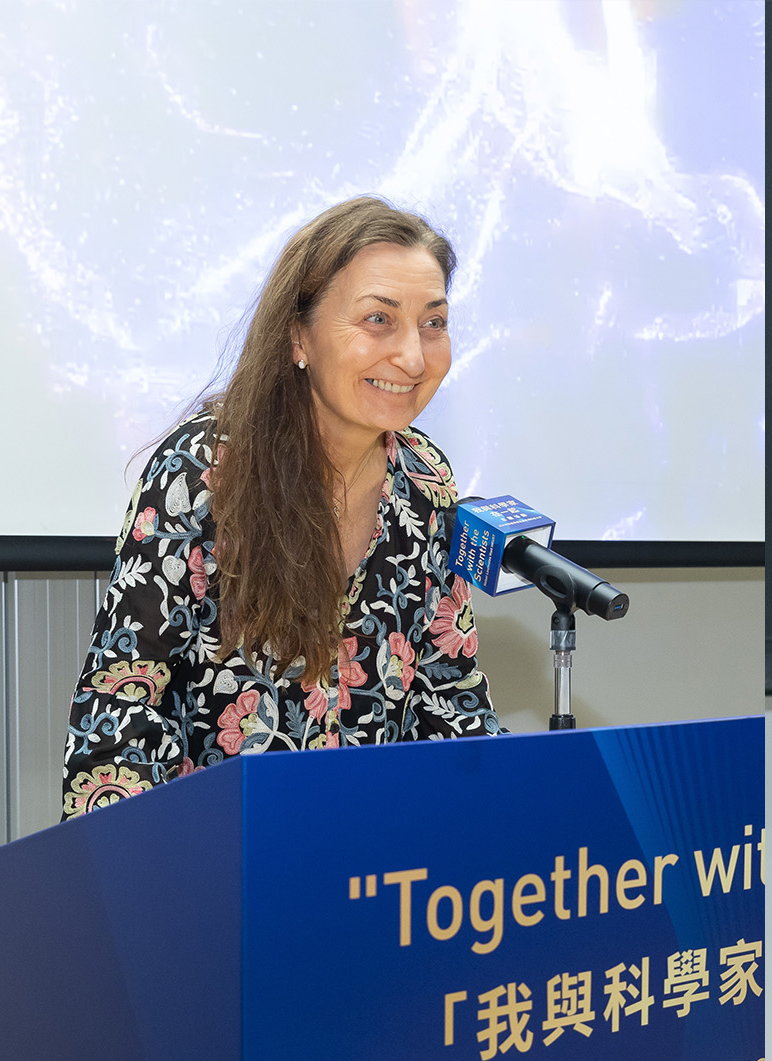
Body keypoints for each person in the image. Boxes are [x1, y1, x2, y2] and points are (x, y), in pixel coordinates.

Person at [62, 196, 498, 817]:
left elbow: (449, 701)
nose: (413, 356)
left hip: (377, 876)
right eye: (379, 319)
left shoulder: (425, 481)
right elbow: (121, 719)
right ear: (299, 337)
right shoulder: (204, 470)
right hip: (214, 874)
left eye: (433, 323)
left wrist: (522, 818)